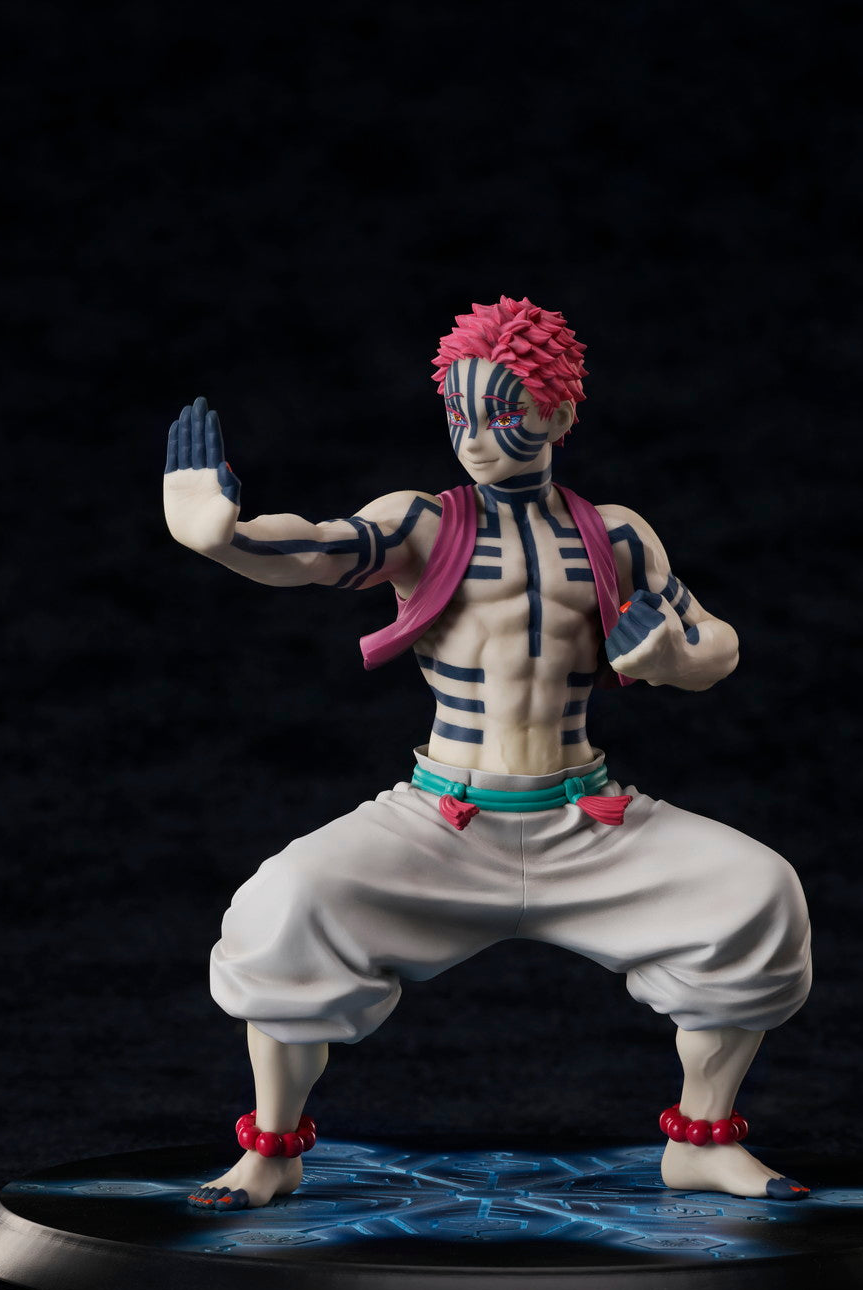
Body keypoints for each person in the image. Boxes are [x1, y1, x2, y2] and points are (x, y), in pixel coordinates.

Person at [163, 296, 812, 1210]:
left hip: (587, 818)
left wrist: (670, 657)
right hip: (443, 816)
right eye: (459, 415)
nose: (473, 438)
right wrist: (222, 536)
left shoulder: (615, 534)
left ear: (559, 412)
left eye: (502, 414)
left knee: (755, 893)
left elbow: (716, 645)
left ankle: (700, 1143)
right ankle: (270, 1151)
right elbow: (316, 550)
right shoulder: (425, 523)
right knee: (287, 904)